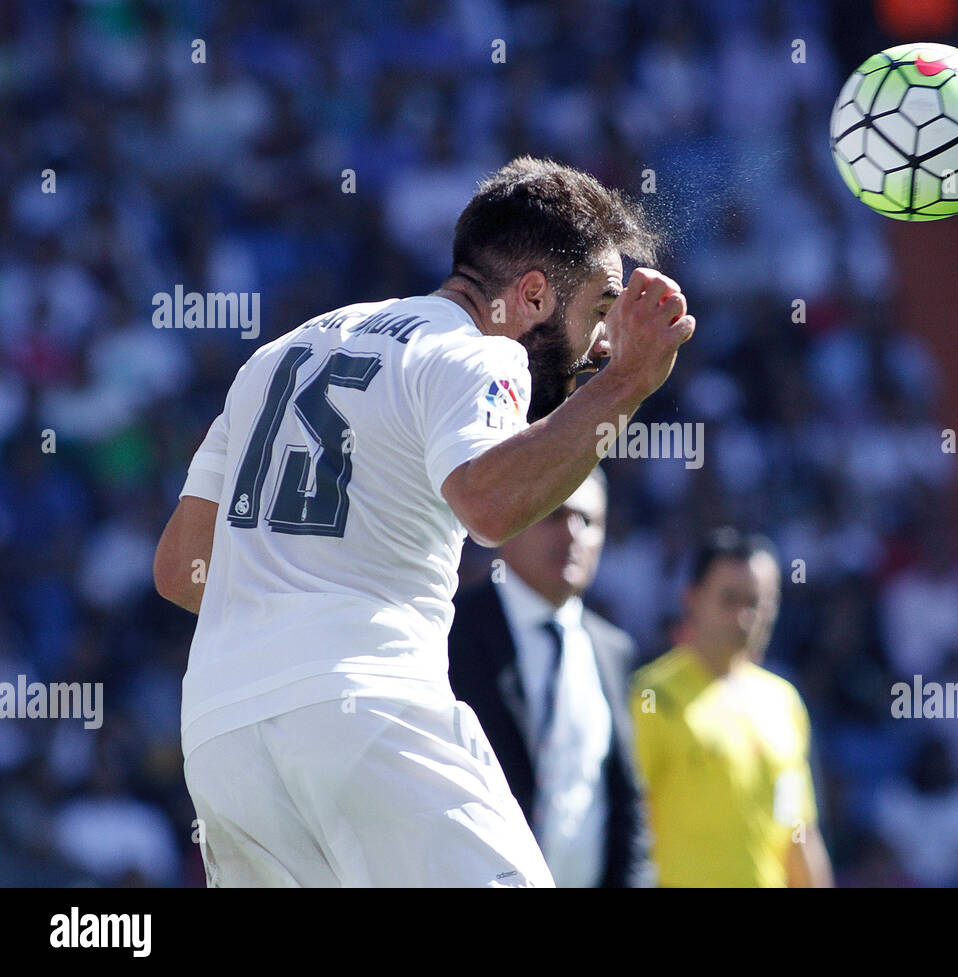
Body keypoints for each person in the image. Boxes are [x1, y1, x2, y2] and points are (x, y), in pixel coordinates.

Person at [151, 156, 695, 887]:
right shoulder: (477, 354)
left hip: (222, 738)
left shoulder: (277, 356)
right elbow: (491, 506)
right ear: (532, 293)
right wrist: (630, 383)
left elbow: (182, 566)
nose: (602, 343)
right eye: (599, 309)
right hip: (367, 712)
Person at [447, 467, 652, 887]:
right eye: (555, 514)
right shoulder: (449, 633)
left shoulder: (613, 650)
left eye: (589, 521)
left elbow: (625, 804)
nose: (573, 533)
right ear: (512, 521)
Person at [631, 528, 833, 887]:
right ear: (691, 599)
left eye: (757, 602)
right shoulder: (651, 698)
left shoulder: (783, 701)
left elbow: (798, 833)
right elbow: (628, 829)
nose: (744, 617)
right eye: (729, 600)